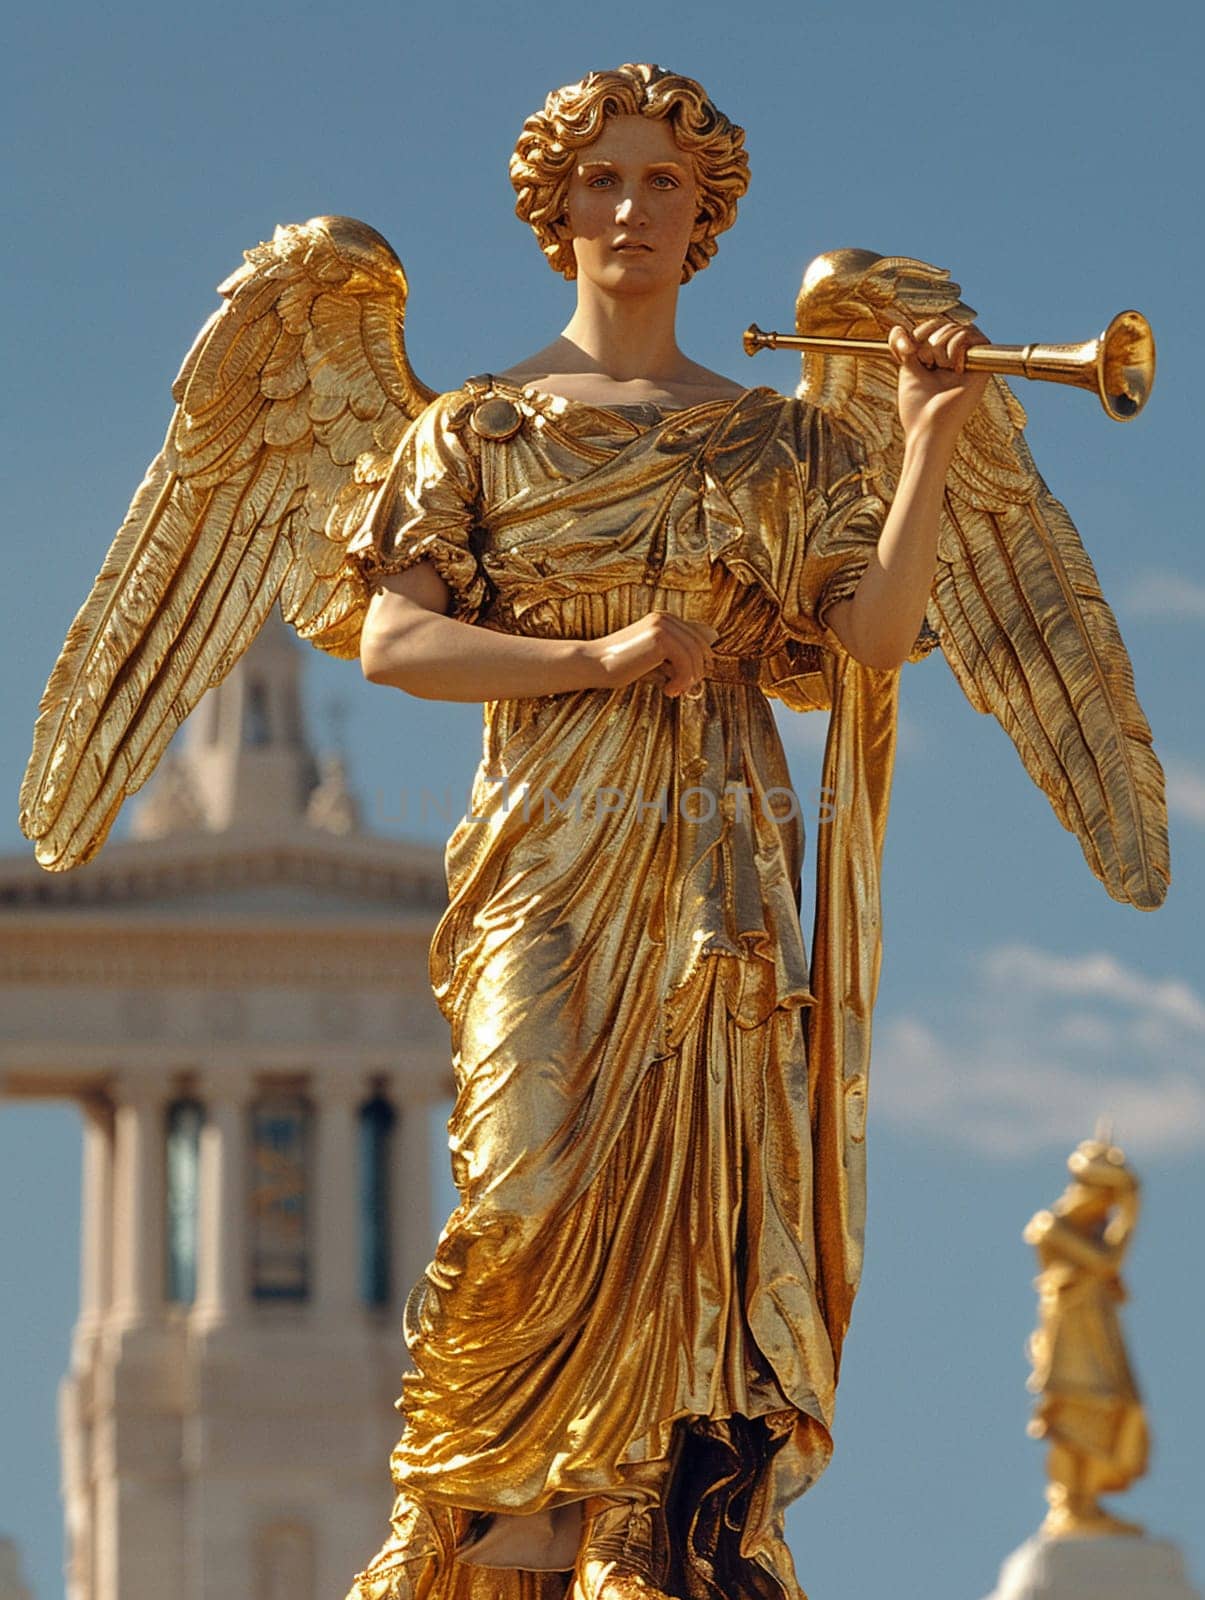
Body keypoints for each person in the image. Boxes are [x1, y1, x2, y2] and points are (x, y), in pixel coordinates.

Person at [342, 62, 989, 1600]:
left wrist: (925, 441)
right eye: (603, 180)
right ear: (553, 207)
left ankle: (643, 1501)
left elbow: (872, 641)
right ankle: (480, 1503)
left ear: (706, 220)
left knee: (705, 1183)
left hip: (712, 846)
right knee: (519, 1176)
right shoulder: (475, 431)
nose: (629, 208)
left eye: (662, 184)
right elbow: (391, 641)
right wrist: (594, 659)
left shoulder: (776, 440)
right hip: (547, 849)